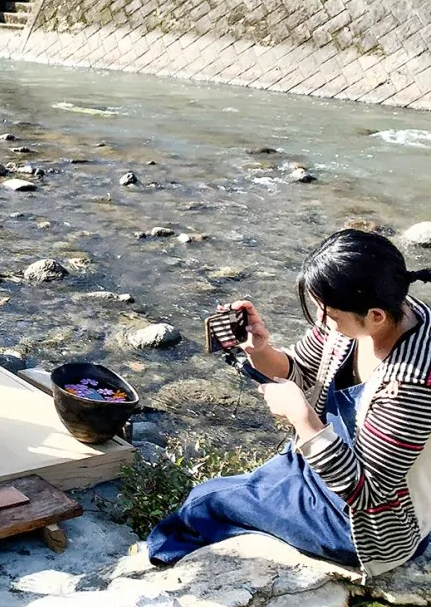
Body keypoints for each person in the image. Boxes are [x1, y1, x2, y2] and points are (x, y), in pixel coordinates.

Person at [149, 230, 431, 578]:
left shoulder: (412, 385)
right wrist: (260, 349)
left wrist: (302, 418)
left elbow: (367, 492)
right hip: (320, 466)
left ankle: (159, 570)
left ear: (375, 316)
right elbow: (301, 369)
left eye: (329, 315)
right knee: (216, 496)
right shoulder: (379, 306)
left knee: (203, 504)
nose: (321, 322)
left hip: (365, 526)